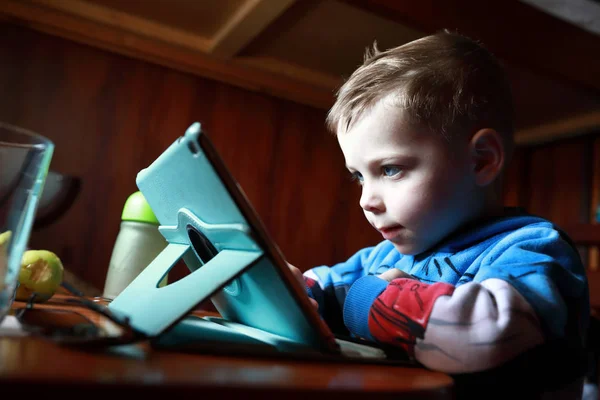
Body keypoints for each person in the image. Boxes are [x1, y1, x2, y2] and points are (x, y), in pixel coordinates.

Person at [288, 30, 590, 397]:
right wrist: (292, 290)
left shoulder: (532, 248)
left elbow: (487, 333)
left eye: (390, 169)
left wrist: (367, 297)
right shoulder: (387, 255)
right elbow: (329, 285)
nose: (367, 200)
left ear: (481, 161)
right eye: (358, 176)